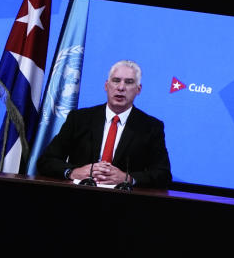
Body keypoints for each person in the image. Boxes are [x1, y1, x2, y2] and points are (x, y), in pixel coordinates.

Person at [37, 60, 171, 188]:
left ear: (138, 89)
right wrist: (73, 172)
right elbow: (46, 161)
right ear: (106, 86)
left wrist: (128, 178)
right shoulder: (79, 119)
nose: (121, 87)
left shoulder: (151, 127)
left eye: (129, 82)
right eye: (116, 80)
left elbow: (163, 175)